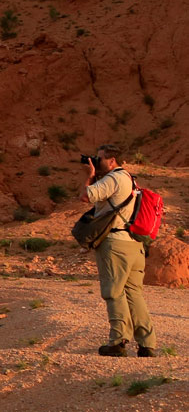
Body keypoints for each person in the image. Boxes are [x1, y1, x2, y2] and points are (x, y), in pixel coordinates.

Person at [80, 144, 156, 357]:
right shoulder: (130, 179)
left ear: (112, 160)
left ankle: (118, 341)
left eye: (100, 158)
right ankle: (147, 344)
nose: (97, 161)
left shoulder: (113, 178)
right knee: (134, 294)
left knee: (113, 292)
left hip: (115, 244)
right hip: (134, 245)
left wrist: (89, 175)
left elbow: (86, 196)